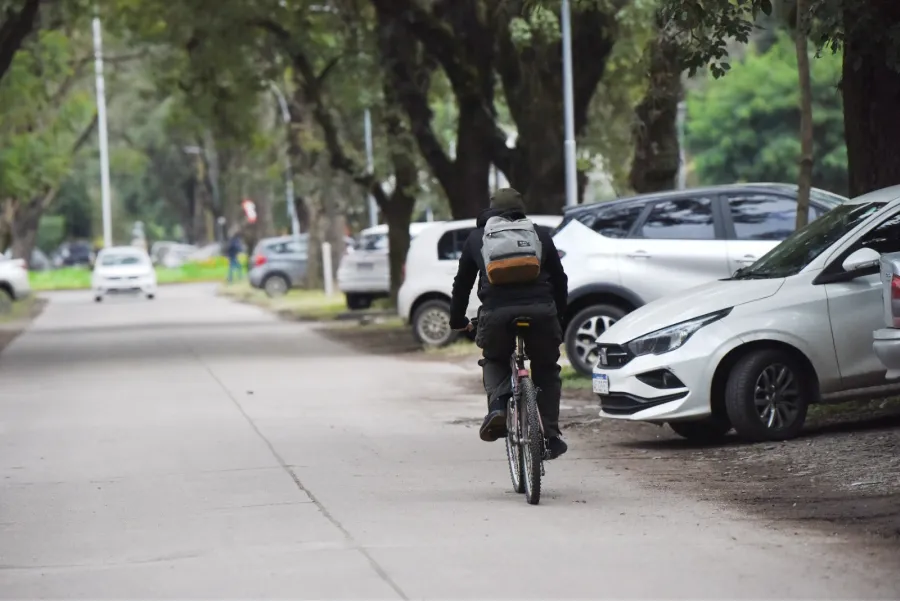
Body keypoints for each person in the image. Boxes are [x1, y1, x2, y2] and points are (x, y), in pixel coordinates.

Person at [449, 188, 569, 459]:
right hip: (542, 315)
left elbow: (462, 285)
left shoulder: (477, 238)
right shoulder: (539, 235)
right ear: (521, 209)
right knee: (547, 368)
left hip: (496, 316)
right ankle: (549, 435)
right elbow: (560, 281)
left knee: (494, 358)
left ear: (491, 210)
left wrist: (457, 320)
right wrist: (558, 317)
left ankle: (498, 408)